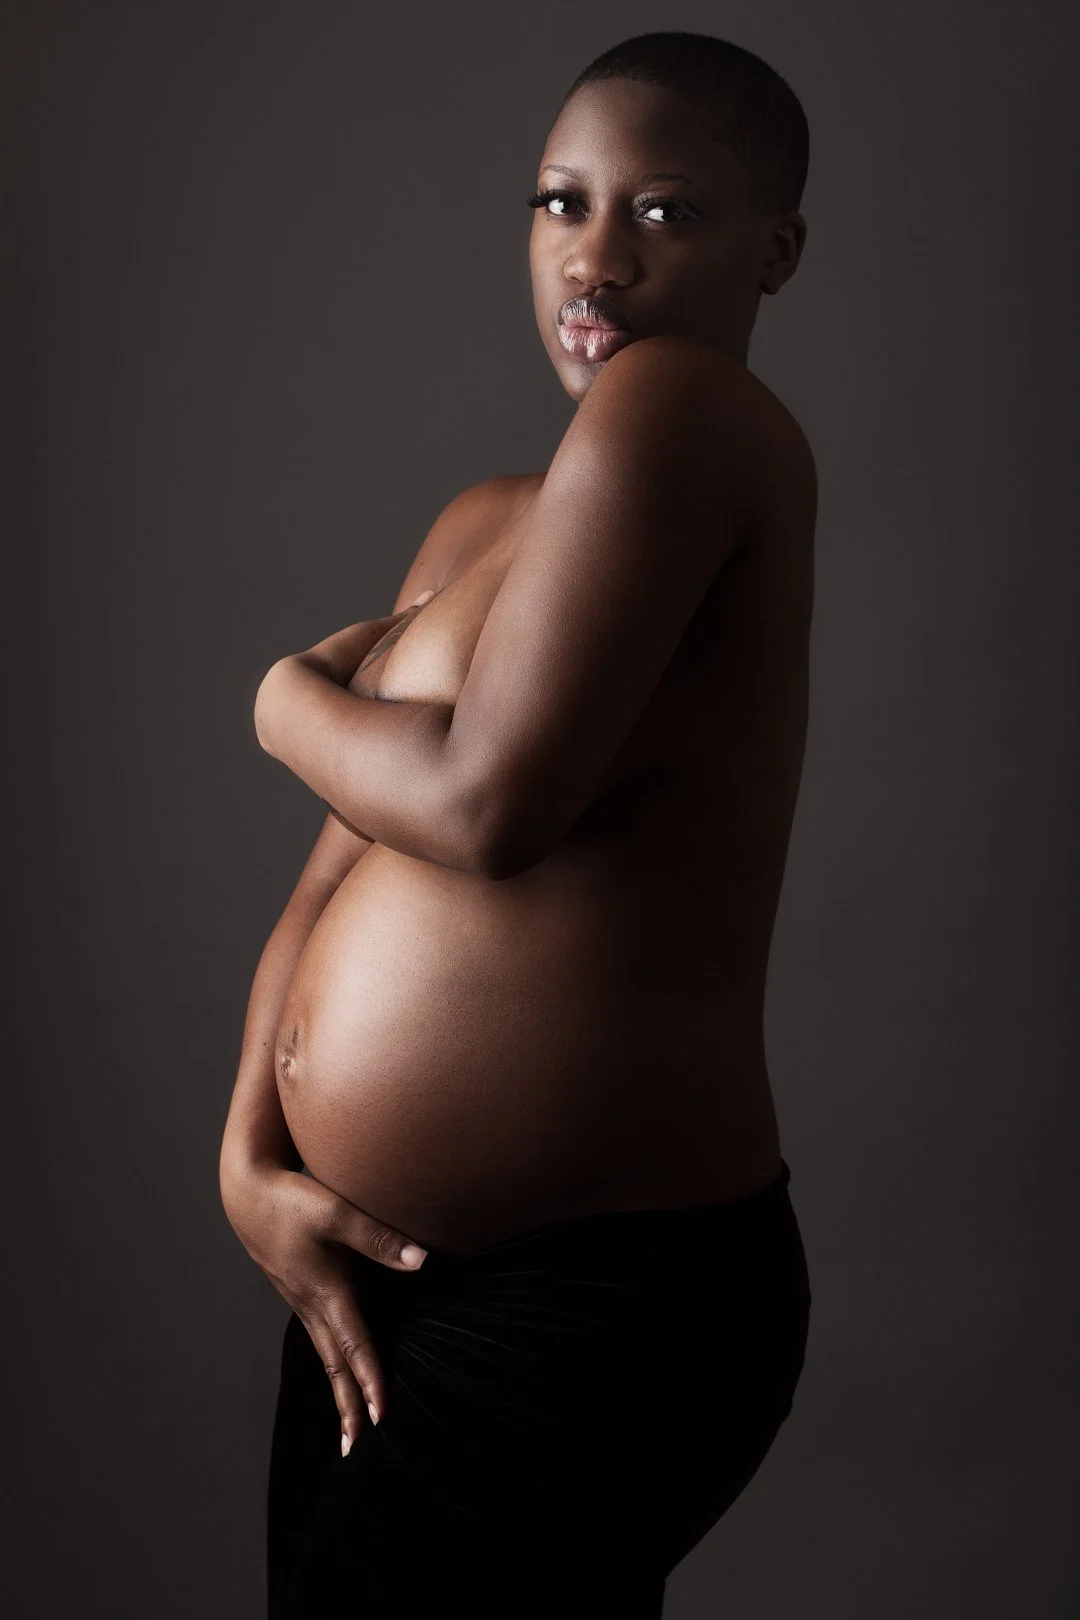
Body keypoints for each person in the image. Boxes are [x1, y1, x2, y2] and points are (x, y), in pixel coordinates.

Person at [219, 28, 817, 1619]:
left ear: (779, 249)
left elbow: (485, 808)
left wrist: (283, 700)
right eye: (561, 202)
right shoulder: (488, 523)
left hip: (585, 1287)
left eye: (666, 212)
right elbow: (340, 868)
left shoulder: (686, 414)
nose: (598, 255)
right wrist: (248, 1156)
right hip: (375, 1280)